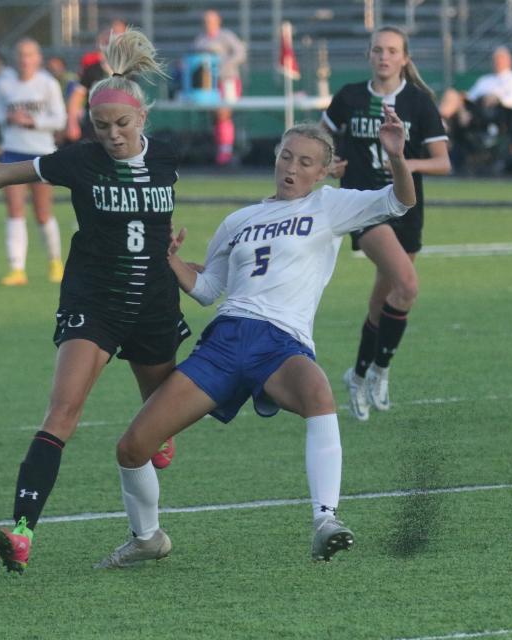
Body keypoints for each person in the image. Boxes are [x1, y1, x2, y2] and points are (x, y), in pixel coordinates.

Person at [0, 29, 189, 572]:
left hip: (154, 303)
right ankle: (22, 531)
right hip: (94, 301)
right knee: (62, 410)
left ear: (142, 116)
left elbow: (156, 222)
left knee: (157, 421)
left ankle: (151, 504)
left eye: (121, 124)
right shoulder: (79, 160)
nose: (113, 136)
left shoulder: (166, 157)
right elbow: (2, 174)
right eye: (101, 127)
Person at [94, 118, 415, 568]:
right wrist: (171, 261)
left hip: (281, 344)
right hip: (225, 341)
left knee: (318, 392)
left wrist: (397, 158)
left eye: (305, 162)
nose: (292, 168)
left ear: (322, 172)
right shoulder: (238, 220)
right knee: (132, 446)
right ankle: (147, 538)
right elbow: (209, 290)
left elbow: (401, 200)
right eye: (286, 156)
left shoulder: (330, 206)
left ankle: (326, 520)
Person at [321, 25, 450, 422]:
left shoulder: (418, 102)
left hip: (406, 207)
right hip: (365, 207)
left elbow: (443, 162)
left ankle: (359, 375)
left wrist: (402, 162)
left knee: (385, 298)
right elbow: (316, 141)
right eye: (378, 50)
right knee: (407, 285)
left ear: (404, 58)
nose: (384, 57)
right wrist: (329, 163)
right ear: (369, 55)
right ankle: (379, 370)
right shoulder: (350, 97)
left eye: (392, 51)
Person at [0, 38, 67, 286]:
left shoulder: (48, 84)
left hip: (41, 153)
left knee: (42, 212)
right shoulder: (5, 84)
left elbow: (60, 119)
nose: (25, 60)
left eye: (29, 55)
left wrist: (31, 122)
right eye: (21, 55)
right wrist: (7, 117)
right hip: (13, 152)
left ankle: (55, 262)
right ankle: (17, 268)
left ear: (38, 58)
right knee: (15, 211)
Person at [194, 9, 247, 166]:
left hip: (228, 81)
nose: (208, 24)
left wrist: (223, 65)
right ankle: (220, 147)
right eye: (206, 21)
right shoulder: (200, 40)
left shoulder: (226, 36)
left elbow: (240, 53)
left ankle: (226, 150)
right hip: (209, 85)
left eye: (211, 21)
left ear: (218, 21)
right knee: (215, 117)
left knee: (224, 113)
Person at [438, 46, 512, 134]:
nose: (498, 62)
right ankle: (440, 122)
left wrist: (496, 98)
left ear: (509, 61)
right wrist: (462, 102)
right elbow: (471, 97)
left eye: (501, 59)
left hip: (495, 113)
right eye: (496, 59)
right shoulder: (485, 79)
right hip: (475, 109)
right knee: (451, 94)